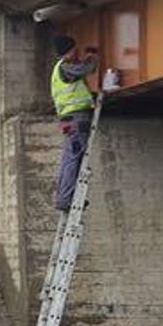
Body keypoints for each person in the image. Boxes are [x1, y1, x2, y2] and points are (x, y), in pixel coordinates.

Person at [50, 34, 98, 212]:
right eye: (73, 49)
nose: (75, 52)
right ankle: (66, 198)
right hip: (76, 118)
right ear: (67, 52)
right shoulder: (66, 68)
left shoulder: (59, 69)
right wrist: (92, 57)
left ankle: (67, 196)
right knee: (73, 158)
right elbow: (88, 69)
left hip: (69, 119)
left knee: (69, 158)